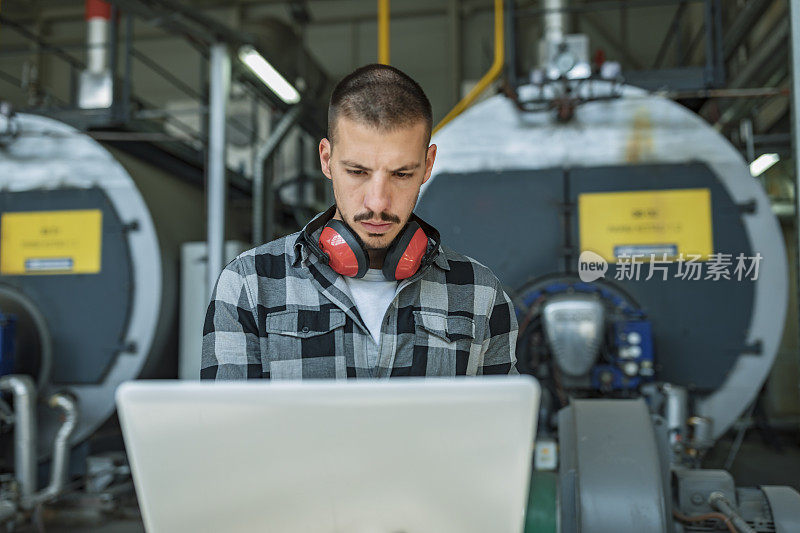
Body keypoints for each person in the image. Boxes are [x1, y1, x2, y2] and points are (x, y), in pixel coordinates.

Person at [201, 63, 517, 380]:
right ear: (326, 159)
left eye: (402, 174)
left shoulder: (480, 294)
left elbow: (503, 427)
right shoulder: (249, 285)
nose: (377, 202)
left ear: (428, 165)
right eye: (357, 172)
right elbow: (226, 428)